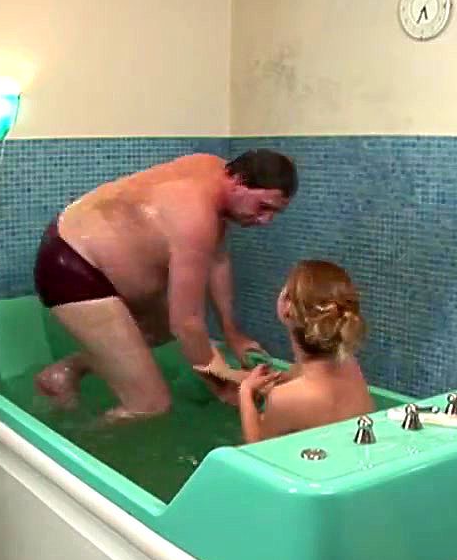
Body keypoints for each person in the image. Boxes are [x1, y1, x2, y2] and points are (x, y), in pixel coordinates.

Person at [32, 150, 297, 421]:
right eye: (263, 207)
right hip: (72, 266)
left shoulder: (215, 171)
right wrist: (222, 387)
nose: (265, 220)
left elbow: (217, 258)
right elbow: (186, 323)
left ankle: (64, 372)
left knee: (158, 331)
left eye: (274, 212)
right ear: (239, 182)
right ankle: (82, 442)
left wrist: (233, 334)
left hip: (84, 249)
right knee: (150, 405)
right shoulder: (196, 214)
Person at [237, 260, 374, 443]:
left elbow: (256, 453)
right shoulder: (350, 365)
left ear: (287, 309)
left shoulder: (284, 398)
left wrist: (245, 393)